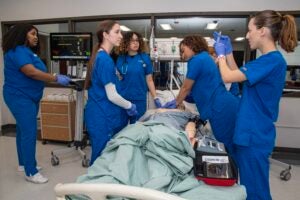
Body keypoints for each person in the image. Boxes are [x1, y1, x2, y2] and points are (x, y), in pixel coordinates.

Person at [213, 10, 298, 200]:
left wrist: (219, 56)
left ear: (263, 31)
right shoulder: (265, 61)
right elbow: (237, 75)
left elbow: (227, 76)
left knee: (255, 192)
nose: (247, 35)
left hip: (254, 135)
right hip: (250, 133)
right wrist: (227, 53)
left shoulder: (272, 61)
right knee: (247, 187)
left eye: (250, 30)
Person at [2, 23, 71, 184]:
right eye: (33, 34)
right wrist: (55, 78)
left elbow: (37, 71)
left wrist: (51, 75)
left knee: (22, 130)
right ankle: (30, 172)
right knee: (29, 132)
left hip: (29, 96)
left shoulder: (26, 52)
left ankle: (23, 164)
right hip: (19, 96)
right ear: (23, 34)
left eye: (36, 34)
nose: (36, 37)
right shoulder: (18, 50)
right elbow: (30, 72)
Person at [163, 35, 240, 157]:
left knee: (227, 147)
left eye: (183, 51)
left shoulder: (197, 60)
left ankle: (233, 173)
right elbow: (202, 87)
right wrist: (189, 97)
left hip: (221, 108)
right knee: (228, 145)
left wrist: (176, 102)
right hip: (224, 105)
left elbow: (186, 87)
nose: (182, 56)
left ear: (191, 45)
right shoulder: (206, 58)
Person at [84, 20, 138, 166]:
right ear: (105, 35)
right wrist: (129, 106)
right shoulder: (104, 60)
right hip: (102, 117)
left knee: (106, 157)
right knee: (100, 159)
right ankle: (92, 188)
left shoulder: (103, 57)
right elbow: (112, 95)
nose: (121, 36)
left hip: (103, 114)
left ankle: (99, 187)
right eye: (117, 32)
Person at [116, 31, 161, 124]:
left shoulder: (145, 58)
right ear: (126, 43)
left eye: (137, 40)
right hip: (123, 99)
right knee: (120, 128)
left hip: (139, 99)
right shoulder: (121, 59)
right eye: (132, 41)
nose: (135, 43)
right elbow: (117, 79)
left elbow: (149, 80)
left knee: (138, 128)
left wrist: (155, 97)